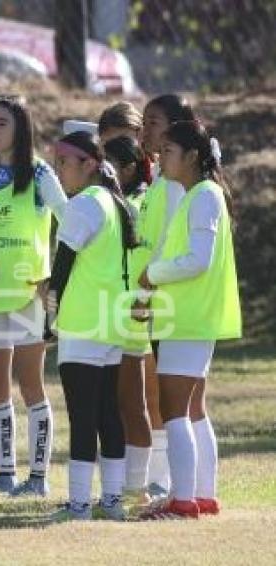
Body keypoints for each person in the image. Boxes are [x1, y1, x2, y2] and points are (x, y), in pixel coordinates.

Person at [139, 121, 241, 520]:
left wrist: (153, 274)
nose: (159, 158)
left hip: (188, 317)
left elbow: (198, 260)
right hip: (189, 316)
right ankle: (203, 496)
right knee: (193, 409)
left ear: (192, 156)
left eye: (167, 151)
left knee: (174, 410)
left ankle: (182, 502)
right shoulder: (198, 195)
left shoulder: (203, 196)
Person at [0, 95, 67, 497]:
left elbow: (69, 220)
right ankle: (6, 474)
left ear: (21, 128)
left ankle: (38, 478)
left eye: (2, 123)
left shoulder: (40, 173)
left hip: (29, 295)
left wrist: (54, 277)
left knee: (31, 385)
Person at [45, 131, 138, 521]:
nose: (59, 171)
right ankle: (112, 501)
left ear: (89, 164)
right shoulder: (115, 202)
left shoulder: (84, 203)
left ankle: (80, 504)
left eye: (64, 163)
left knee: (83, 416)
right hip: (112, 324)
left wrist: (49, 319)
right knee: (107, 415)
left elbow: (62, 267)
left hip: (83, 324)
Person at [134, 94, 196, 497]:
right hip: (159, 293)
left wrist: (147, 285)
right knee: (173, 401)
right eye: (144, 122)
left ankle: (174, 487)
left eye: (153, 122)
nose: (145, 130)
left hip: (169, 296)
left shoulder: (175, 182)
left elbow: (169, 241)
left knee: (177, 404)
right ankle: (171, 485)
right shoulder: (159, 175)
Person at [103, 134, 156, 512]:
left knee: (131, 405)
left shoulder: (138, 204)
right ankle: (117, 487)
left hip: (130, 317)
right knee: (115, 407)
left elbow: (146, 261)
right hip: (109, 315)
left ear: (130, 168)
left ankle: (137, 488)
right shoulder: (114, 203)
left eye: (109, 166)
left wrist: (141, 300)